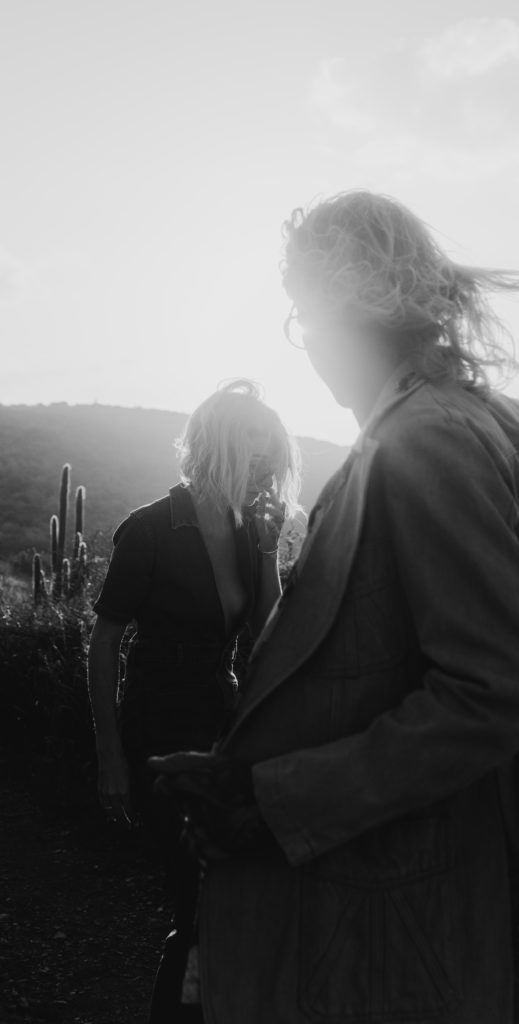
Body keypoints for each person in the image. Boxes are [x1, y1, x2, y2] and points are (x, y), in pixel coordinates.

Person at [152, 192, 519, 1024]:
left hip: (489, 868)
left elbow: (500, 687)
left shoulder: (415, 444)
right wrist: (514, 607)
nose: (308, 345)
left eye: (304, 316)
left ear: (348, 311)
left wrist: (275, 799)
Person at [87, 378, 300, 1023]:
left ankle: (196, 1010)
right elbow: (103, 644)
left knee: (224, 899)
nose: (264, 463)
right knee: (199, 900)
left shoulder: (249, 531)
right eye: (252, 447)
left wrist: (268, 552)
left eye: (271, 451)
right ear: (217, 446)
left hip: (222, 722)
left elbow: (267, 637)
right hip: (157, 727)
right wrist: (110, 758)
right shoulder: (151, 529)